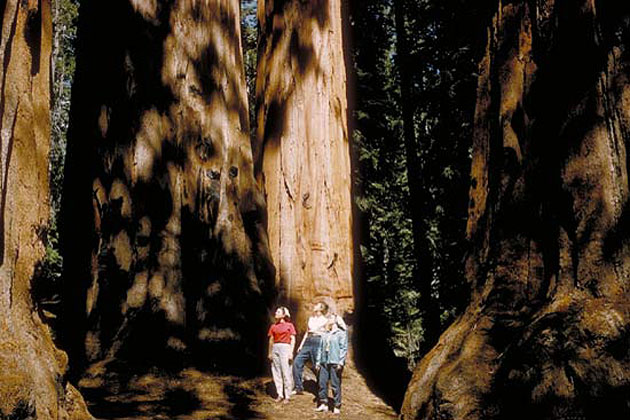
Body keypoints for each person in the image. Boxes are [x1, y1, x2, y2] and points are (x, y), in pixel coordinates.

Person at [292, 301, 329, 395]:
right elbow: (307, 333)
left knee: (318, 367)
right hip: (308, 341)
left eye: (317, 305)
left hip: (318, 341)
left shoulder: (325, 320)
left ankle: (321, 389)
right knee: (297, 362)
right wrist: (301, 345)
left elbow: (326, 334)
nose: (314, 306)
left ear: (321, 308)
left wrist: (324, 347)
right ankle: (298, 387)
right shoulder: (311, 319)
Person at [314, 314, 347, 415]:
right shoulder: (325, 333)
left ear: (336, 320)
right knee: (322, 383)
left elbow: (343, 348)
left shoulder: (341, 333)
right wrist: (318, 362)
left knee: (335, 384)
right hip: (324, 361)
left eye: (331, 318)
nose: (328, 319)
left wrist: (340, 362)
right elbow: (320, 348)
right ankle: (323, 403)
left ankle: (337, 405)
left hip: (335, 362)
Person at [268, 306, 296, 403]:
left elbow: (293, 339)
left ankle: (287, 395)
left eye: (278, 312)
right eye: (276, 311)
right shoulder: (273, 326)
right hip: (276, 347)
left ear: (284, 315)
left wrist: (291, 352)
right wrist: (270, 352)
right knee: (276, 371)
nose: (276, 313)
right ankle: (280, 394)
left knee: (286, 371)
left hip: (285, 348)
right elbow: (271, 340)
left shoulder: (289, 325)